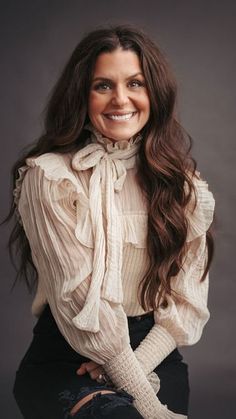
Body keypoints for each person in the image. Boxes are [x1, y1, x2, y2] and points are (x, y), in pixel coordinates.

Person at [5, 25, 215, 418]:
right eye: (103, 85)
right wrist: (150, 407)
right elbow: (79, 306)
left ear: (154, 92)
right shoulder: (50, 177)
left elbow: (188, 303)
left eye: (135, 83)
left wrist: (130, 368)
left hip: (154, 353)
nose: (121, 99)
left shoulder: (183, 185)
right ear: (82, 95)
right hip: (68, 354)